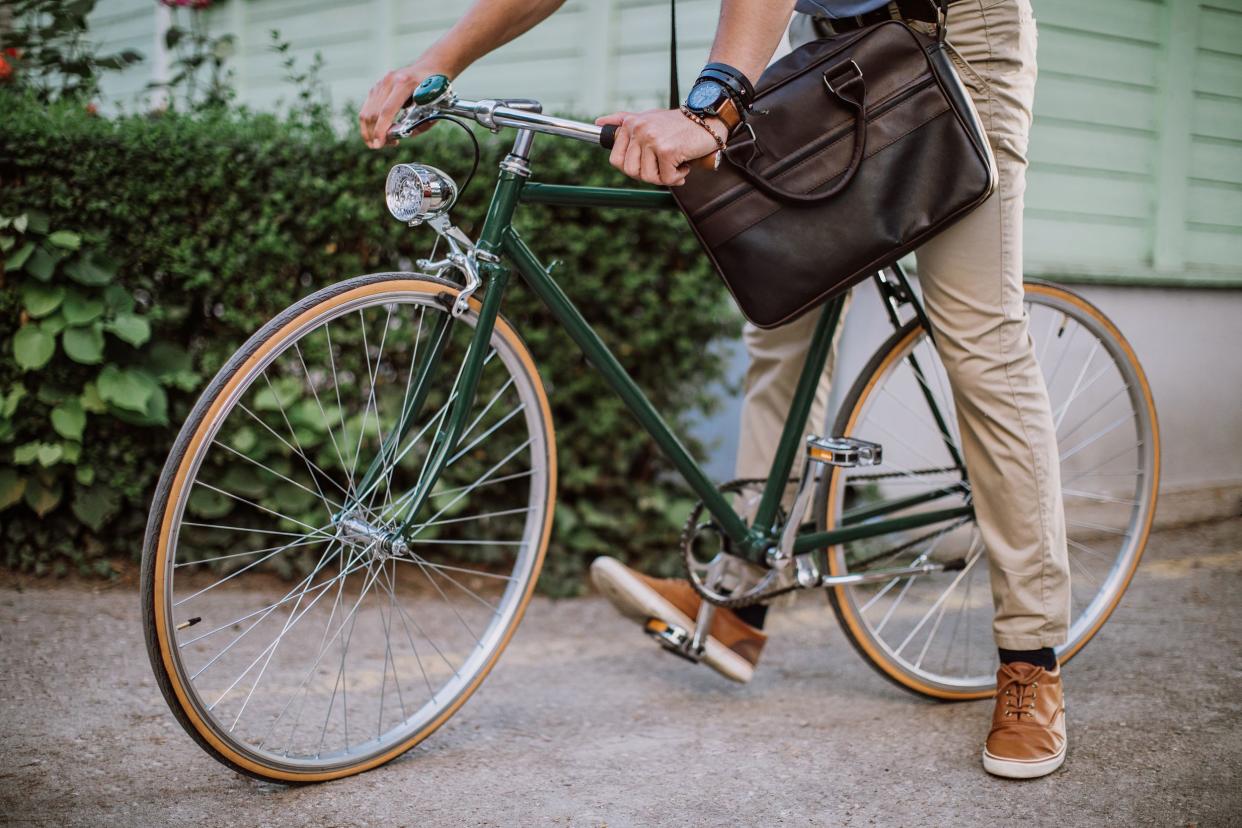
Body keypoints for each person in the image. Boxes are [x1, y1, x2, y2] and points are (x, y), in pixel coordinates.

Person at [360, 0, 1069, 780]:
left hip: (957, 32)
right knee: (781, 320)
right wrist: (441, 59)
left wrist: (714, 106)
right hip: (829, 42)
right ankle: (742, 601)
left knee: (976, 335)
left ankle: (1030, 659)